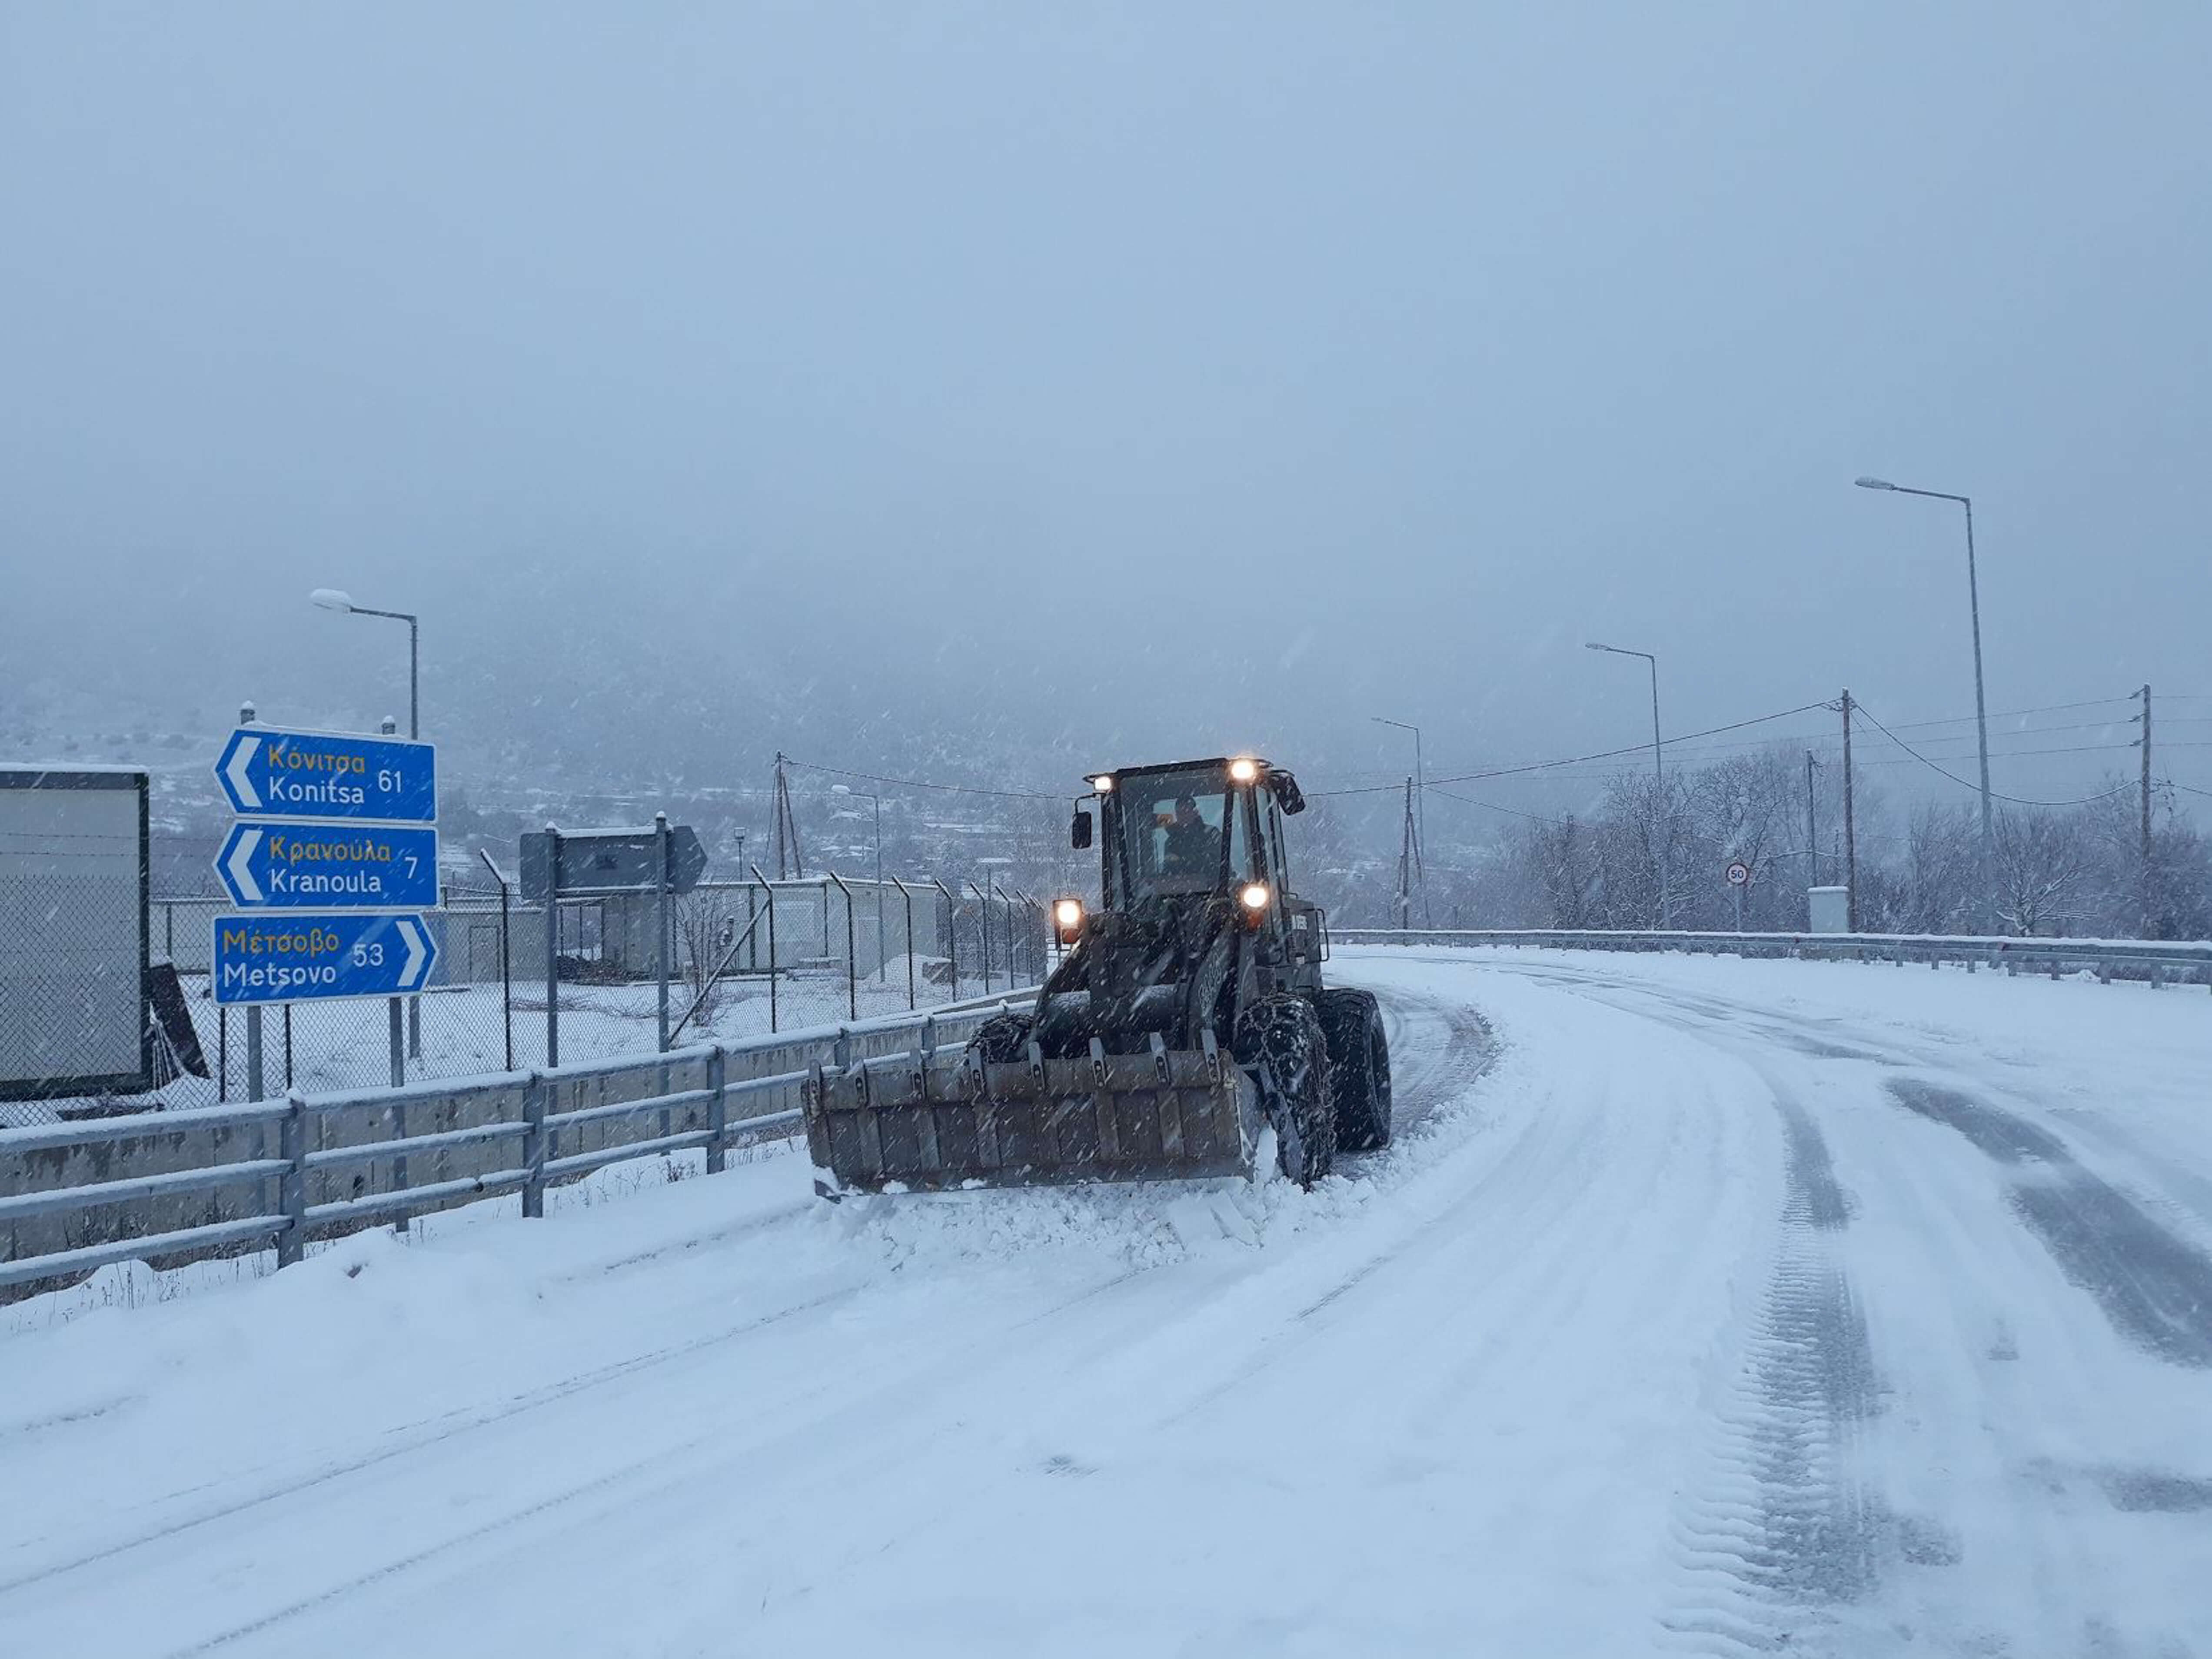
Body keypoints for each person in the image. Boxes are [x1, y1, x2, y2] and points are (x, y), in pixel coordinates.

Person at [1159, 795, 1220, 881]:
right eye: (1179, 813)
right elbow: (1168, 870)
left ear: (1195, 813)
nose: (1182, 816)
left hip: (1213, 889)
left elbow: (1217, 864)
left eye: (1186, 812)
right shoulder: (1171, 842)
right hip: (1178, 891)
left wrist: (1181, 861)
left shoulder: (1211, 834)